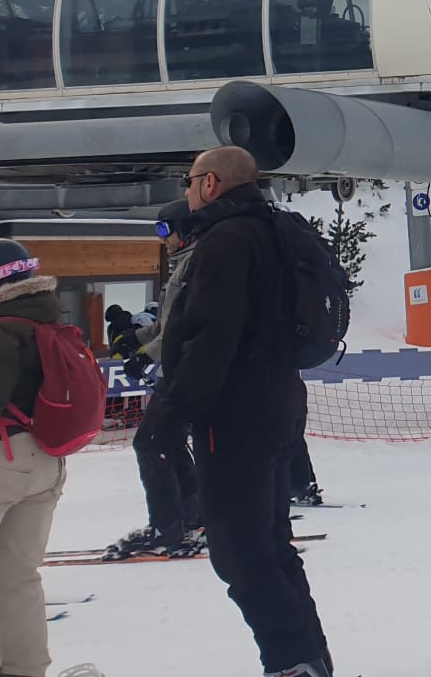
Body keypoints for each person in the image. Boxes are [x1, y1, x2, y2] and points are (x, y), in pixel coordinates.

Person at [140, 146, 332, 677]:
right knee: (270, 545)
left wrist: (167, 415)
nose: (186, 190)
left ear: (211, 183)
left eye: (190, 179)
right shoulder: (274, 229)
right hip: (278, 400)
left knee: (241, 553)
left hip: (235, 412)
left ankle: (291, 663)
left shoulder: (226, 241)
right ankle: (308, 659)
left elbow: (208, 339)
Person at [102, 200, 206, 561]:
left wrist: (147, 356)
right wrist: (137, 339)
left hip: (187, 370)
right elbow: (166, 327)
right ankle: (193, 516)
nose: (161, 239)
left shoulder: (196, 264)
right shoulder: (182, 264)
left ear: (185, 230)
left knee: (149, 442)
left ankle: (167, 526)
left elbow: (184, 328)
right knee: (170, 440)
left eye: (165, 230)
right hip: (180, 368)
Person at [0, 240, 67, 677]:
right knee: (17, 575)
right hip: (45, 460)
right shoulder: (49, 320)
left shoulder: (3, 330)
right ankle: (26, 668)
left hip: (5, 457)